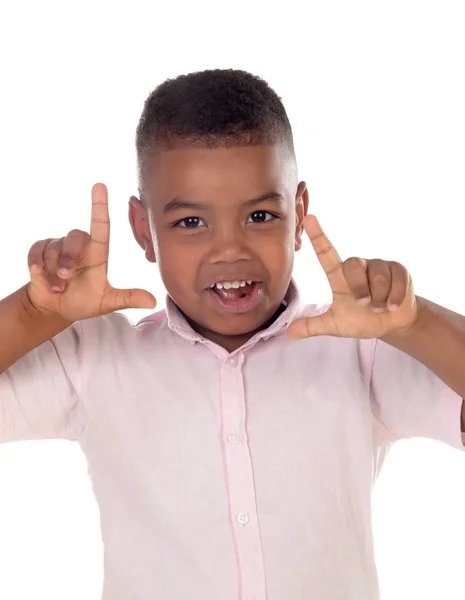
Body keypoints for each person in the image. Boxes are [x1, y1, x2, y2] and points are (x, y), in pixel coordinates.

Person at [1, 69, 464, 600]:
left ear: (300, 213)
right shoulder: (95, 359)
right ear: (141, 229)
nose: (230, 251)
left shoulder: (360, 354)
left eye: (261, 215)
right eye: (191, 223)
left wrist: (414, 323)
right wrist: (35, 312)